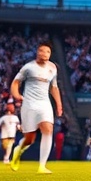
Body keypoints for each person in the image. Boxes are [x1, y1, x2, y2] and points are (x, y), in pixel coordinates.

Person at [8, 41, 63, 174]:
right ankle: (18, 150)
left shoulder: (52, 68)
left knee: (48, 129)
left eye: (48, 52)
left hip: (44, 103)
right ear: (37, 52)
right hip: (29, 104)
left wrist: (59, 104)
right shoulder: (28, 67)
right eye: (42, 51)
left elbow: (54, 87)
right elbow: (15, 83)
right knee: (30, 139)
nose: (45, 54)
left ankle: (42, 166)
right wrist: (17, 95)